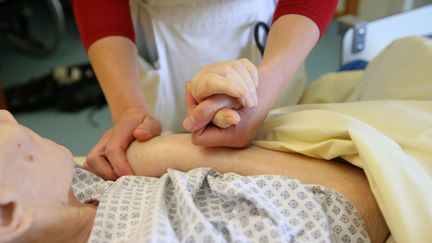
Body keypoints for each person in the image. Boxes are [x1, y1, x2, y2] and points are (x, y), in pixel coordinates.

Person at [0, 109, 389, 242]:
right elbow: (357, 205)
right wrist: (167, 150)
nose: (3, 115)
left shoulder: (65, 189)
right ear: (8, 214)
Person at [72, 0, 338, 179]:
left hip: (270, 34)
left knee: (274, 143)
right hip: (158, 34)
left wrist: (269, 80)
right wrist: (129, 108)